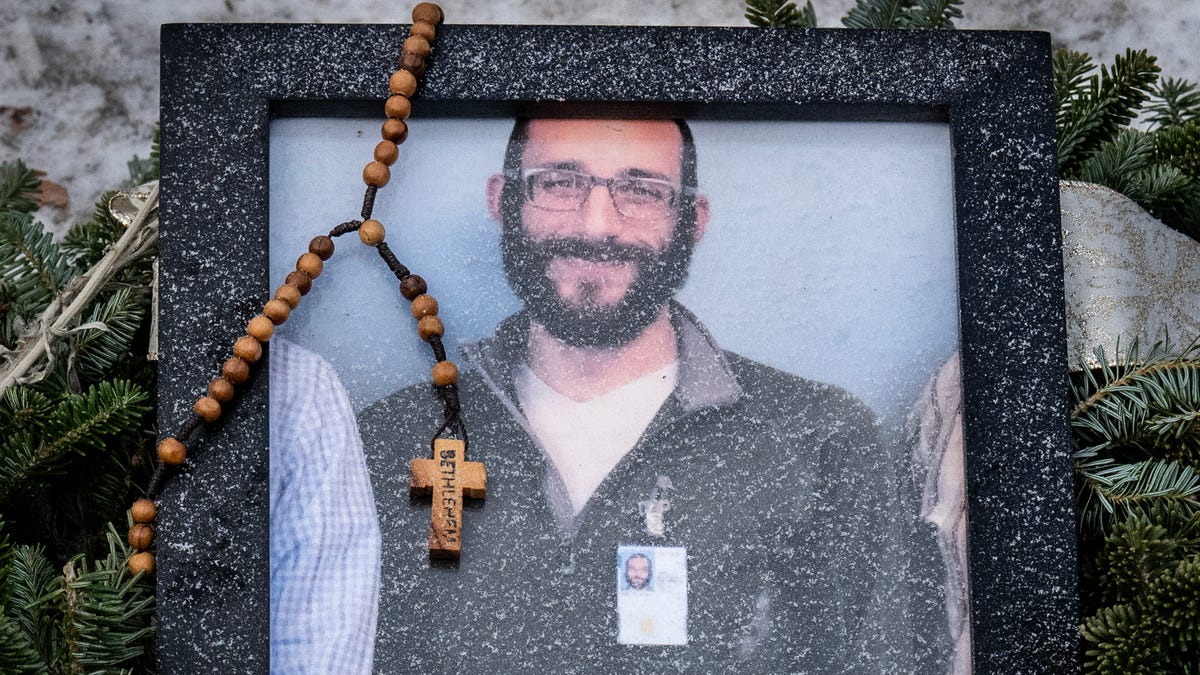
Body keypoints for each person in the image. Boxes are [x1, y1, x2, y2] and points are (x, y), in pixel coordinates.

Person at [358, 118, 938, 671]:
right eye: (560, 183)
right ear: (502, 201)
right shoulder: (388, 436)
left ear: (693, 219)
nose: (598, 225)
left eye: (641, 189)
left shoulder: (819, 438)